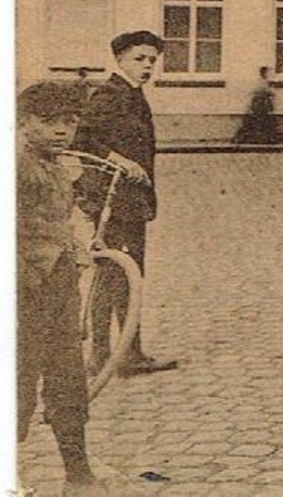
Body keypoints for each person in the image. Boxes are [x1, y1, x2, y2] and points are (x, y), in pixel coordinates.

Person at [69, 29, 178, 375]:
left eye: (151, 60)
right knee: (112, 274)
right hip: (111, 200)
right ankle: (101, 356)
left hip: (131, 201)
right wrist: (119, 160)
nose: (147, 66)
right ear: (119, 60)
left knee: (129, 276)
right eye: (139, 59)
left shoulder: (133, 95)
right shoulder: (110, 94)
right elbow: (83, 139)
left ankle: (129, 353)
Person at [17, 81, 102, 496]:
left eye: (69, 122)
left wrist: (78, 246)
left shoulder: (55, 164)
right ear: (23, 122)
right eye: (48, 122)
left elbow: (55, 221)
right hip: (21, 295)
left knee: (67, 379)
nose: (60, 131)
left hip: (58, 286)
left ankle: (78, 474)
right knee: (17, 384)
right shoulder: (14, 163)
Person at [233, 66, 279, 145]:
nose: (269, 74)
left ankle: (264, 138)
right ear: (264, 73)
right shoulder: (261, 82)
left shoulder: (264, 81)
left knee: (262, 121)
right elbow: (262, 91)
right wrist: (270, 92)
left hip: (262, 103)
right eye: (268, 73)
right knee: (259, 120)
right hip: (260, 103)